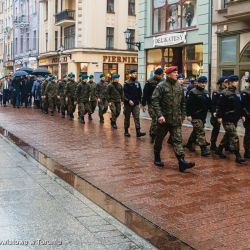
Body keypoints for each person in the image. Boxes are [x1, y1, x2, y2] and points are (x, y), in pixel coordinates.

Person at [152, 66, 195, 172]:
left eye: (177, 72)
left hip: (176, 119)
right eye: (175, 72)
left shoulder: (179, 86)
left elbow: (183, 103)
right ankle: (157, 157)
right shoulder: (161, 86)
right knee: (159, 139)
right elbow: (155, 101)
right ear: (168, 74)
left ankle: (181, 162)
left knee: (177, 140)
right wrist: (159, 115)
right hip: (164, 119)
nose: (177, 74)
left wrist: (183, 115)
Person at [216, 75, 245, 163]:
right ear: (231, 82)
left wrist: (242, 115)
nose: (237, 83)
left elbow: (239, 106)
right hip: (227, 118)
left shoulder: (236, 92)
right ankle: (238, 155)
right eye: (235, 81)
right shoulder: (225, 93)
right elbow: (220, 106)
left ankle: (219, 149)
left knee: (228, 135)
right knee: (234, 136)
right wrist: (219, 116)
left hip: (235, 118)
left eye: (237, 81)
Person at [186, 76, 211, 156]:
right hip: (195, 115)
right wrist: (188, 115)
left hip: (203, 116)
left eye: (205, 83)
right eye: (202, 83)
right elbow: (188, 104)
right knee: (200, 131)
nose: (203, 84)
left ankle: (189, 143)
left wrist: (214, 111)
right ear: (198, 83)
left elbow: (209, 103)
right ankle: (203, 149)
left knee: (196, 130)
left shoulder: (206, 92)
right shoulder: (193, 92)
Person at [142, 68, 163, 143]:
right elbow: (145, 93)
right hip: (151, 103)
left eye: (161, 75)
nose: (160, 76)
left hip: (160, 104)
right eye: (158, 75)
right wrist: (143, 104)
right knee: (155, 118)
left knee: (158, 119)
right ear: (155, 74)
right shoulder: (149, 82)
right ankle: (153, 135)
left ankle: (152, 131)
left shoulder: (163, 81)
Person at [123, 69, 146, 137]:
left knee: (136, 117)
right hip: (128, 104)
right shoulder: (126, 83)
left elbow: (140, 93)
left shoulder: (137, 83)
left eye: (136, 73)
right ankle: (126, 131)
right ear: (130, 74)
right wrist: (128, 100)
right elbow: (124, 94)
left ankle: (138, 132)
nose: (135, 74)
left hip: (136, 104)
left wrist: (141, 103)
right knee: (127, 118)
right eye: (133, 73)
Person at [210, 76, 228, 151]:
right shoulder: (216, 92)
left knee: (229, 130)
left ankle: (227, 145)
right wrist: (214, 112)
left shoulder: (228, 91)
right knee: (216, 129)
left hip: (226, 113)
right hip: (217, 113)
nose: (227, 83)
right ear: (221, 83)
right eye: (225, 82)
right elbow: (213, 104)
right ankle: (213, 144)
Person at [241, 76, 250, 159]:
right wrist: (247, 114)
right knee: (248, 134)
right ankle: (247, 151)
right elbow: (243, 106)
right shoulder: (245, 92)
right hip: (248, 116)